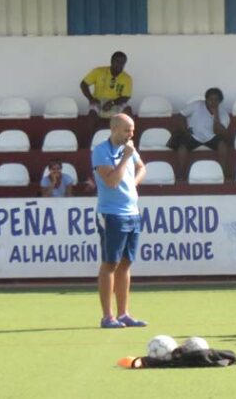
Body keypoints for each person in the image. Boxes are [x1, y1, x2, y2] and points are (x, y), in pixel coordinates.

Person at [92, 113, 147, 329]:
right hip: (111, 214)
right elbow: (112, 181)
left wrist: (133, 183)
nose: (131, 134)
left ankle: (124, 314)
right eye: (127, 130)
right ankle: (108, 316)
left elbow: (142, 167)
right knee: (110, 263)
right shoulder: (101, 152)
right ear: (114, 129)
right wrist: (125, 157)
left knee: (126, 263)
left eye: (132, 130)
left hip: (132, 213)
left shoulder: (130, 149)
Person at [169, 88, 231, 180]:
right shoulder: (197, 105)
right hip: (194, 136)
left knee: (223, 145)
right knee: (182, 146)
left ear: (220, 101)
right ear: (206, 99)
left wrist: (216, 115)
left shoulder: (224, 114)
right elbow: (180, 116)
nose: (213, 102)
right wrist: (185, 130)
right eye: (210, 100)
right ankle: (181, 173)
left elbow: (217, 131)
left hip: (212, 137)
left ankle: (223, 172)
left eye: (216, 100)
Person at [81, 52, 133, 127]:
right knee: (92, 114)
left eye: (122, 63)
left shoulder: (127, 78)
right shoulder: (98, 71)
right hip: (98, 100)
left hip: (116, 102)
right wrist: (91, 98)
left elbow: (126, 97)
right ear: (111, 61)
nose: (120, 65)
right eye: (117, 62)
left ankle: (127, 137)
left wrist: (112, 103)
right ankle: (92, 137)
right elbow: (83, 84)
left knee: (128, 111)